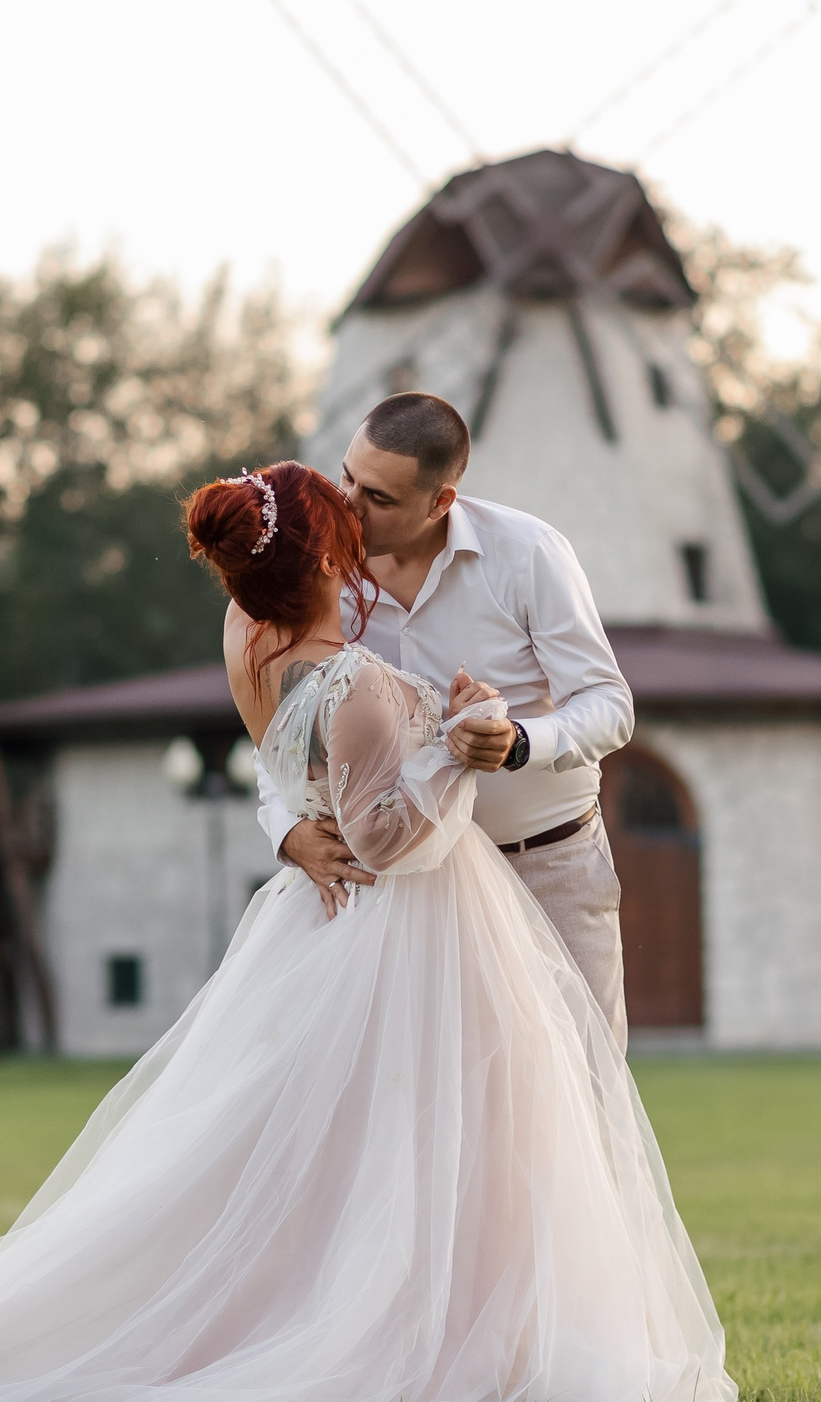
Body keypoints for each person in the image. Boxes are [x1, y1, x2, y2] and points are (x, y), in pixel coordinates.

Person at [0, 461, 734, 1402]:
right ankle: (421, 1333)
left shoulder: (246, 637)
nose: (360, 531)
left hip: (310, 919)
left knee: (334, 1145)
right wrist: (466, 743)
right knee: (430, 1133)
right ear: (325, 559)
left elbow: (292, 767)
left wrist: (297, 822)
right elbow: (385, 840)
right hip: (399, 921)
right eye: (344, 518)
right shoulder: (359, 680)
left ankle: (432, 1316)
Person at [263, 391, 637, 1047]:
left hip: (545, 865)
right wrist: (286, 827)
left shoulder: (529, 552)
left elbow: (609, 705)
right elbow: (285, 732)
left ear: (442, 501)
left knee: (586, 1087)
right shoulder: (319, 574)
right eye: (347, 476)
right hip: (405, 892)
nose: (348, 505)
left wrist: (520, 741)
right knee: (422, 1107)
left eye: (378, 497)